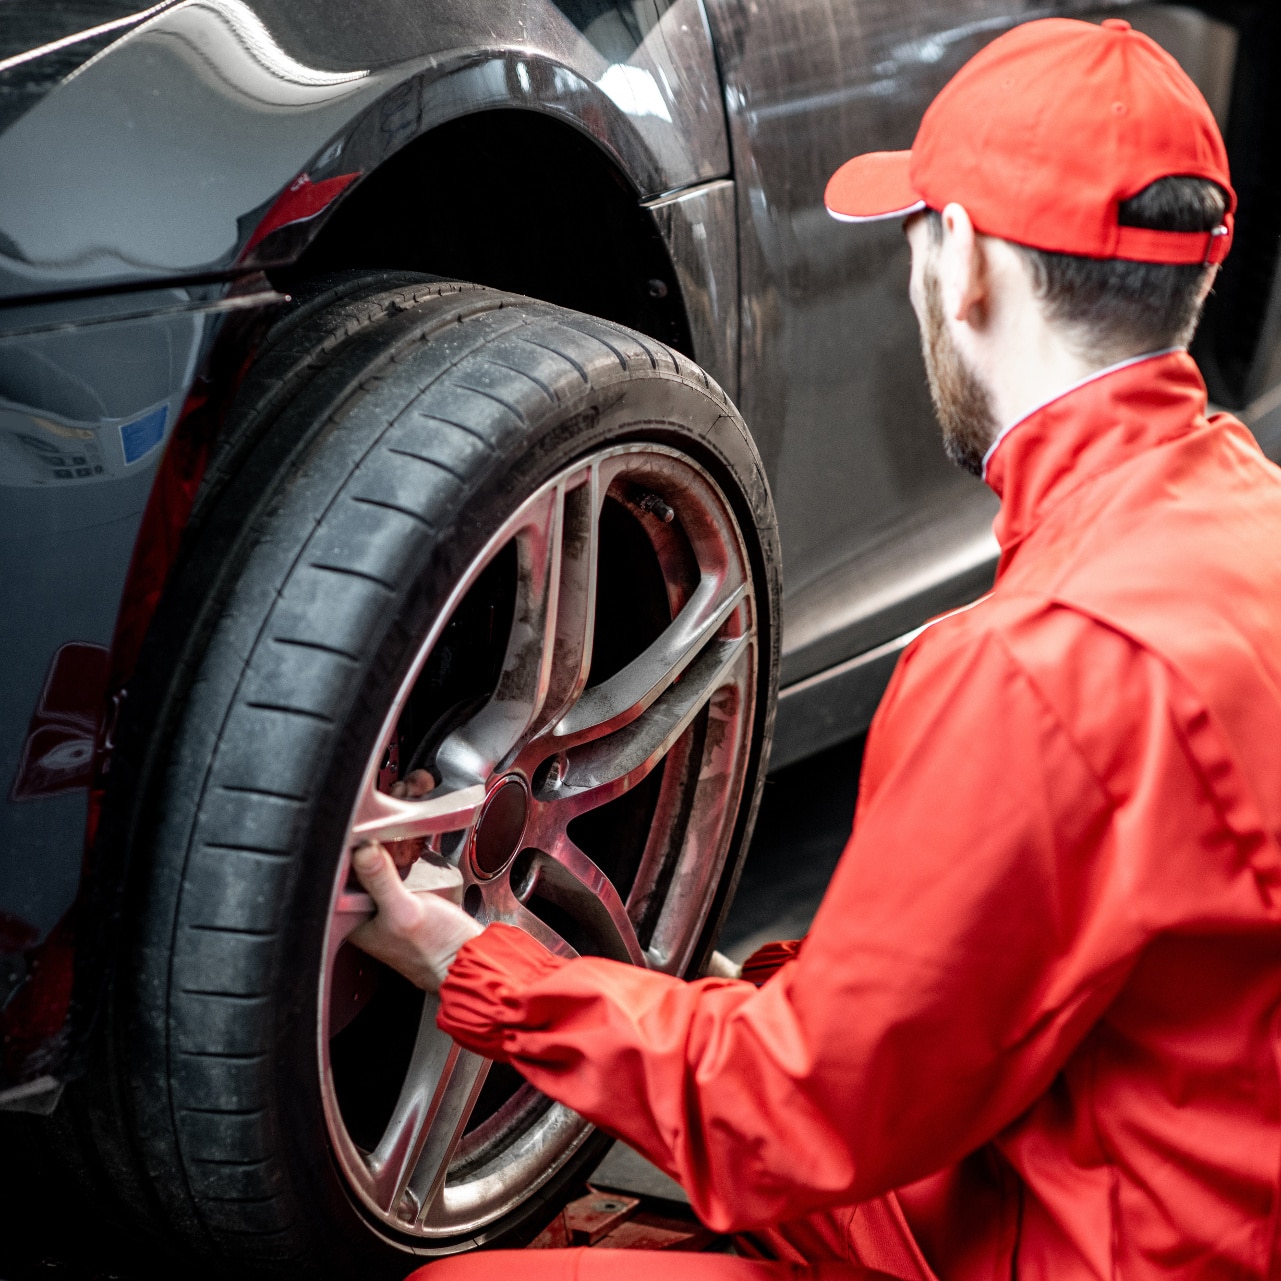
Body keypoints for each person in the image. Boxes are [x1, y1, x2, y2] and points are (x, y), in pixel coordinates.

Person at [348, 17, 1281, 1280]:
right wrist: (783, 996)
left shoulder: (1034, 669)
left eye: (916, 239)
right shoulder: (1248, 523)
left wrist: (482, 971)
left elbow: (794, 1121)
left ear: (964, 263)